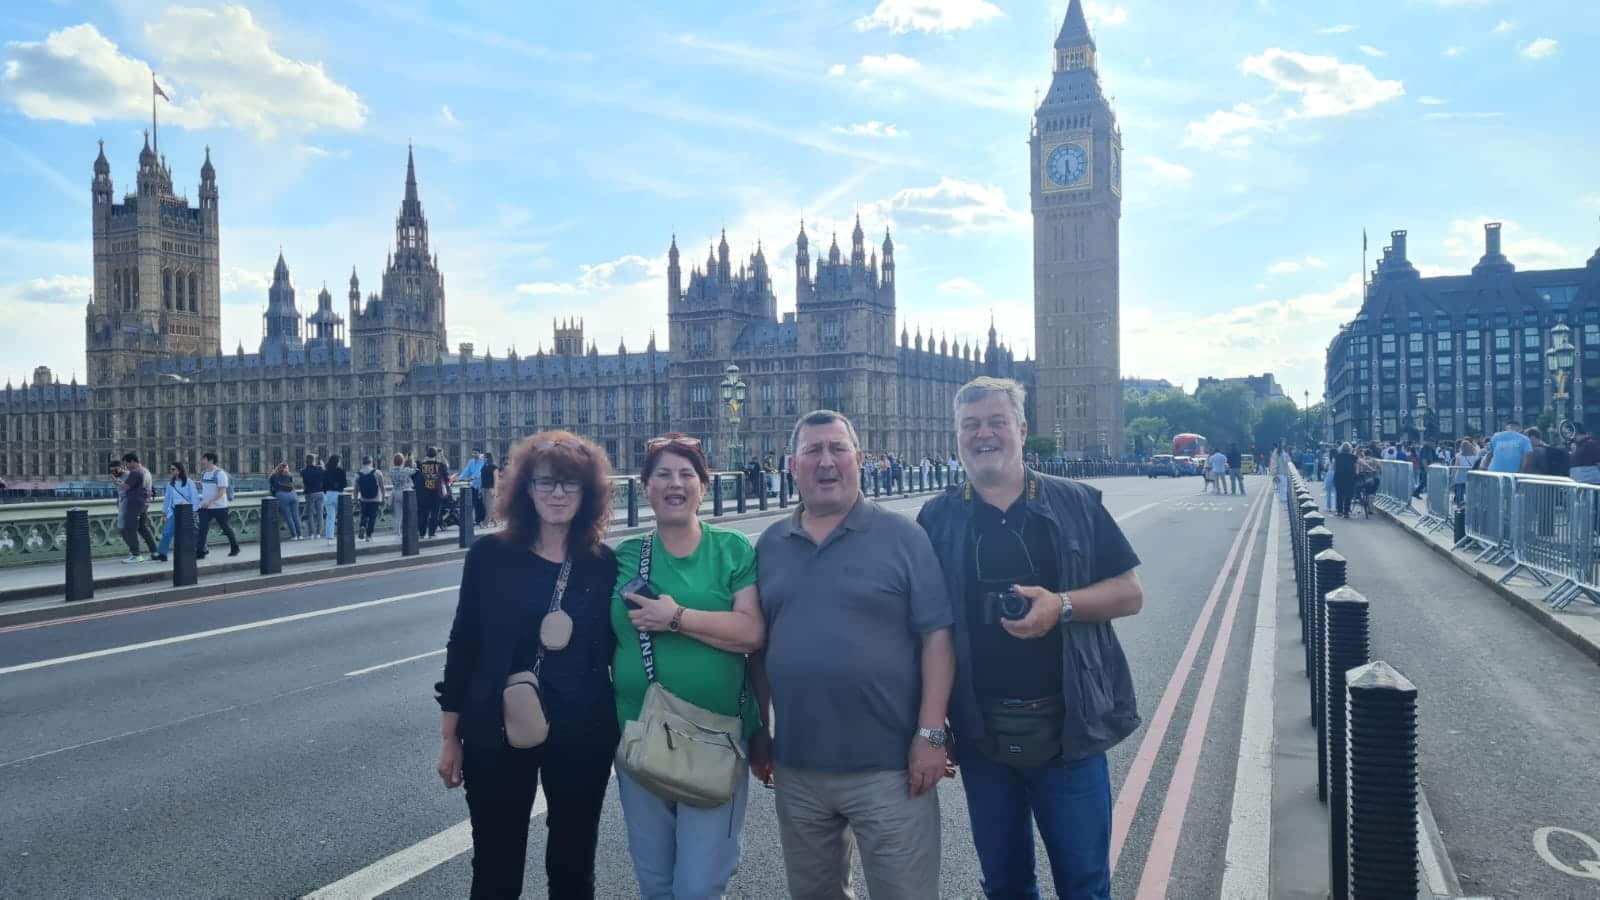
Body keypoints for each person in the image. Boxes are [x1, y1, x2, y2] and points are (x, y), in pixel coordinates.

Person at [917, 377, 1141, 899]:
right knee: (1005, 885)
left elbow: (1130, 594)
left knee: (1084, 885)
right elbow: (926, 630)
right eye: (971, 425)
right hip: (981, 735)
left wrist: (1061, 606)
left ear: (1021, 429)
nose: (984, 434)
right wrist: (930, 726)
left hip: (1069, 730)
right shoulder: (937, 518)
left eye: (996, 422)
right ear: (957, 436)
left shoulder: (1076, 502)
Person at [753, 410, 954, 900]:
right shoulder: (771, 544)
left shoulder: (903, 537)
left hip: (890, 768)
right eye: (812, 451)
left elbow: (937, 636)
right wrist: (759, 729)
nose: (826, 462)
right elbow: (757, 649)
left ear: (859, 459)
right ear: (792, 466)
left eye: (838, 449)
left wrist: (931, 733)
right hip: (798, 769)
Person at [434, 431, 619, 900]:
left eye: (570, 483)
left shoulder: (603, 564)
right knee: (495, 871)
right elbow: (464, 643)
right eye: (546, 482)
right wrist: (449, 736)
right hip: (496, 728)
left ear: (588, 493)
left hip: (583, 731)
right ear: (525, 489)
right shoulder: (489, 556)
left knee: (574, 869)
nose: (558, 494)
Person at [611, 433, 766, 899]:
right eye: (662, 474)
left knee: (699, 886)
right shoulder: (625, 556)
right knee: (656, 884)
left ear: (704, 485)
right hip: (640, 735)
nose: (674, 484)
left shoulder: (732, 549)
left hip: (716, 738)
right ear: (645, 487)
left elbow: (751, 632)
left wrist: (675, 617)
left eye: (686, 474)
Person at [195, 452, 241, 558]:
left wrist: (210, 502)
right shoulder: (205, 473)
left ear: (210, 460)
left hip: (220, 507)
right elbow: (204, 485)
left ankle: (235, 547)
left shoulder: (220, 474)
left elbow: (222, 492)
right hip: (205, 507)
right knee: (202, 529)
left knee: (225, 527)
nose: (201, 461)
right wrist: (192, 483)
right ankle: (200, 552)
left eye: (204, 459)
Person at [153, 461, 199, 562]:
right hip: (174, 511)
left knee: (191, 532)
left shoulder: (189, 482)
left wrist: (194, 511)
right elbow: (167, 498)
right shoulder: (170, 483)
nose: (171, 471)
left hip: (186, 510)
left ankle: (199, 549)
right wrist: (164, 512)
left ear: (179, 470)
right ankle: (162, 553)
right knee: (167, 532)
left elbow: (194, 497)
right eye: (170, 469)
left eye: (173, 469)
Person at [117, 452, 159, 562]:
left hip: (134, 504)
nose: (126, 467)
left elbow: (126, 487)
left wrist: (118, 481)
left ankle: (136, 555)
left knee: (129, 529)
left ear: (132, 461)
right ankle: (155, 552)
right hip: (144, 504)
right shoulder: (146, 471)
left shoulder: (135, 472)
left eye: (126, 464)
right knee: (143, 528)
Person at [418, 447, 450, 538]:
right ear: (436, 455)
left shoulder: (421, 465)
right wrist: (442, 455)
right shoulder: (440, 465)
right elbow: (446, 476)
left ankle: (422, 533)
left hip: (424, 492)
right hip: (436, 492)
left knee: (424, 513)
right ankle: (432, 533)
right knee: (435, 513)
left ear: (426, 454)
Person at [355, 456, 386, 540]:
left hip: (363, 498)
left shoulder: (358, 474)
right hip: (375, 499)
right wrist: (383, 498)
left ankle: (362, 526)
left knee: (364, 515)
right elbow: (382, 487)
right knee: (372, 517)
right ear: (371, 462)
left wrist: (355, 500)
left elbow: (356, 489)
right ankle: (369, 535)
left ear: (363, 462)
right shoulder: (377, 472)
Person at [270, 462, 302, 541]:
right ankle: (300, 535)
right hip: (293, 495)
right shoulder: (289, 475)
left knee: (288, 517)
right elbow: (291, 484)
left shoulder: (273, 476)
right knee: (296, 516)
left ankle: (294, 536)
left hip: (281, 495)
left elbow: (272, 489)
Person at [389, 452, 417, 539]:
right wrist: (412, 460)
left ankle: (397, 532)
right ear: (402, 461)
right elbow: (415, 470)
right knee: (408, 513)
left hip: (395, 492)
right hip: (406, 492)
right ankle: (408, 530)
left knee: (398, 514)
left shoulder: (391, 471)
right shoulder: (406, 470)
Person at [300, 455, 326, 542]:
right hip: (320, 493)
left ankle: (311, 534)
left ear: (305, 461)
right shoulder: (319, 469)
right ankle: (318, 534)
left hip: (310, 493)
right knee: (320, 513)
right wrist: (322, 464)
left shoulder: (303, 471)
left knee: (310, 514)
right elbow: (325, 472)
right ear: (314, 461)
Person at [323, 454, 347, 540]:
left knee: (330, 517)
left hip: (328, 494)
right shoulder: (341, 471)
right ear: (338, 462)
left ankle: (329, 535)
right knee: (341, 515)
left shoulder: (326, 471)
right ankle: (342, 534)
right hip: (339, 494)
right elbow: (344, 484)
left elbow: (323, 485)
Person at [460, 449, 487, 525]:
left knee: (480, 503)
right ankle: (477, 520)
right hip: (473, 485)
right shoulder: (471, 462)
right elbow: (467, 470)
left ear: (479, 453)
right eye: (473, 453)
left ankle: (481, 519)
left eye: (476, 453)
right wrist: (460, 478)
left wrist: (472, 477)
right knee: (474, 502)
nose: (474, 454)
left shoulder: (483, 461)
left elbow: (480, 471)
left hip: (481, 485)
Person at [1452, 439, 1480, 506]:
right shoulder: (1475, 456)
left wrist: (1452, 474)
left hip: (1460, 476)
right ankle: (1470, 504)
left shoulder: (1458, 456)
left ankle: (1459, 504)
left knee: (1459, 492)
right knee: (1470, 491)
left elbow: (1456, 466)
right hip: (1471, 476)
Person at [1333, 442, 1358, 518]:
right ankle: (1346, 511)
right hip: (1350, 477)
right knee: (1349, 494)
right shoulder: (1354, 457)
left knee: (1339, 494)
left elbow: (1334, 466)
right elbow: (1356, 467)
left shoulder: (1337, 456)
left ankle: (1339, 511)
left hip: (1339, 476)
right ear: (1350, 449)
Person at [480, 451, 498, 527]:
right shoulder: (483, 467)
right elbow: (482, 478)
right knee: (486, 506)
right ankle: (495, 521)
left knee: (489, 506)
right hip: (484, 488)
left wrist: (495, 489)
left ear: (488, 458)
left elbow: (496, 479)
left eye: (484, 457)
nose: (483, 458)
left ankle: (485, 523)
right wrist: (480, 488)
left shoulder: (494, 467)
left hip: (490, 488)